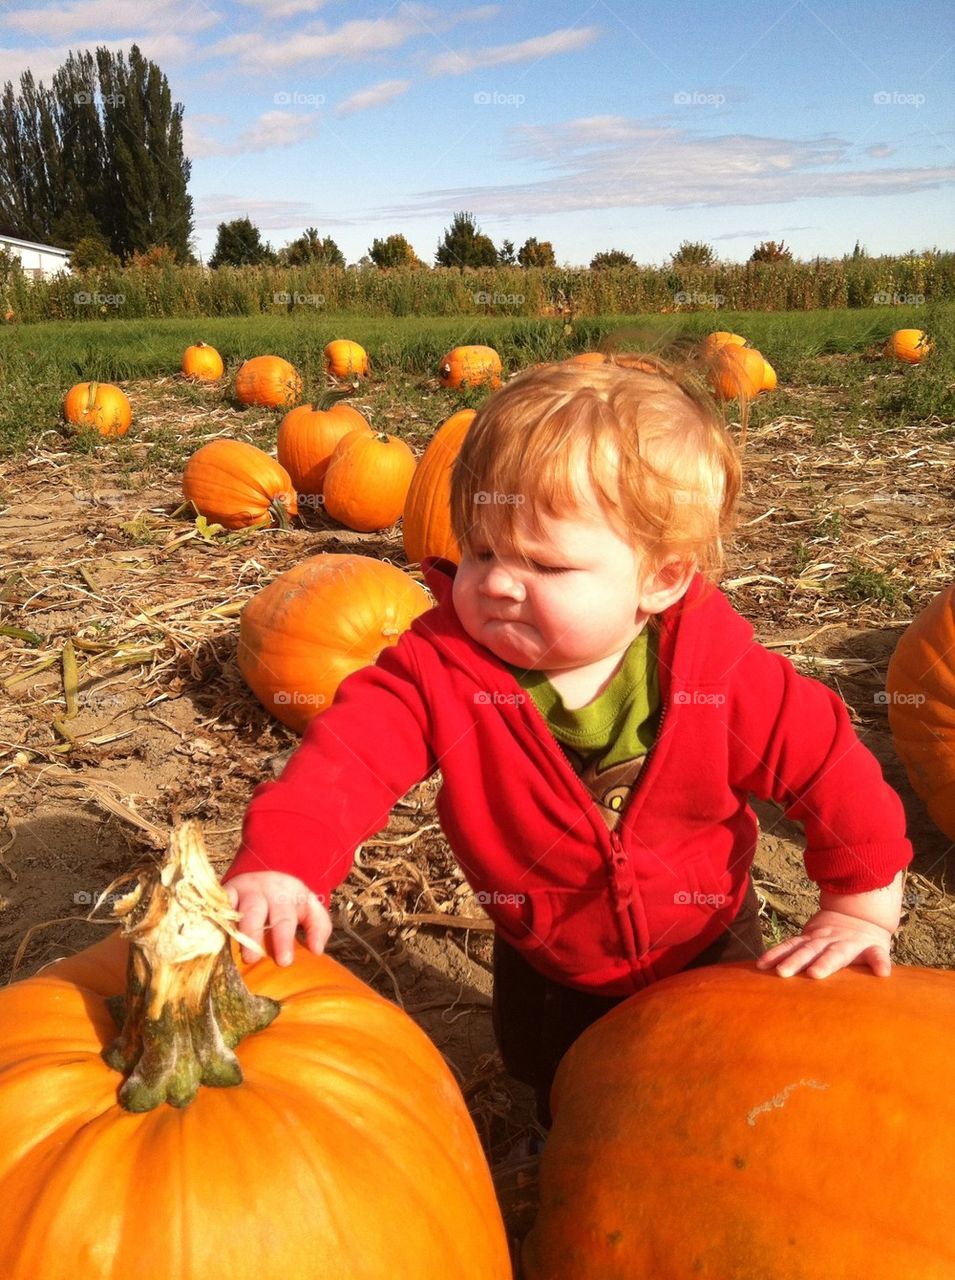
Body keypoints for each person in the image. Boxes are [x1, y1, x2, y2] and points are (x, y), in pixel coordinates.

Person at [225, 356, 911, 1125]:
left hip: (706, 939)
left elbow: (827, 767)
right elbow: (348, 756)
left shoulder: (721, 680)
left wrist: (860, 904)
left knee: (713, 1088)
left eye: (544, 564)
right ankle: (556, 1139)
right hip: (544, 949)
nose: (495, 583)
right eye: (480, 550)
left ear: (660, 579)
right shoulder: (442, 670)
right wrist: (284, 862)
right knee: (553, 1080)